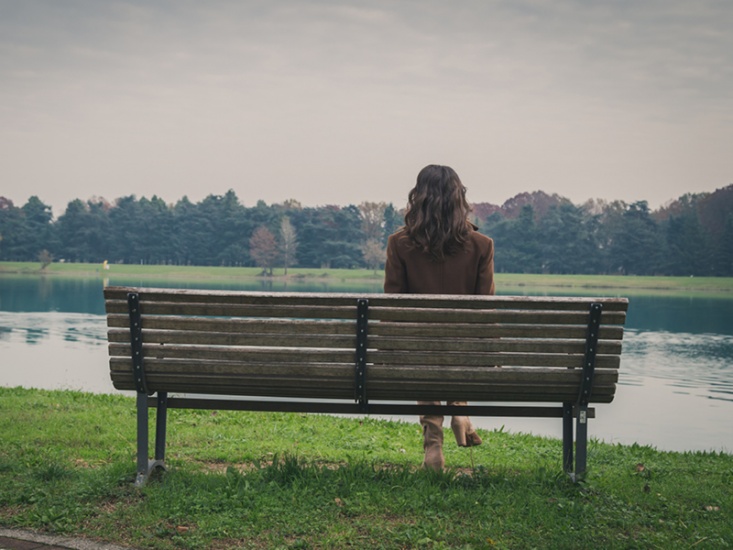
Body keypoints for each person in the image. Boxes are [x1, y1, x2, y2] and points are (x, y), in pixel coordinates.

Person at [384, 164, 495, 470]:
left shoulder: (400, 244)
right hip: (463, 355)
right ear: (460, 199)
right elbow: (485, 313)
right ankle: (459, 410)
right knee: (454, 346)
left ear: (418, 198)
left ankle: (434, 444)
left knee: (424, 350)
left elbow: (392, 310)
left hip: (418, 353)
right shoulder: (482, 246)